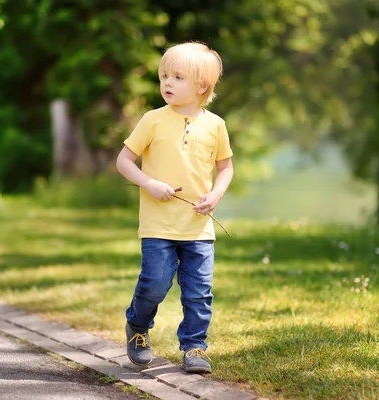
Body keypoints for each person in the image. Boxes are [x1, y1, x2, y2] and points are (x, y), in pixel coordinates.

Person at [115, 41, 234, 373]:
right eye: (164, 75)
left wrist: (216, 194)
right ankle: (137, 326)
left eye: (177, 77)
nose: (167, 82)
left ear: (201, 87)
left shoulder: (215, 125)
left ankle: (195, 347)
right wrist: (149, 183)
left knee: (198, 293)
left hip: (198, 228)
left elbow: (225, 168)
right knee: (155, 283)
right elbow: (124, 160)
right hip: (158, 226)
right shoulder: (152, 120)